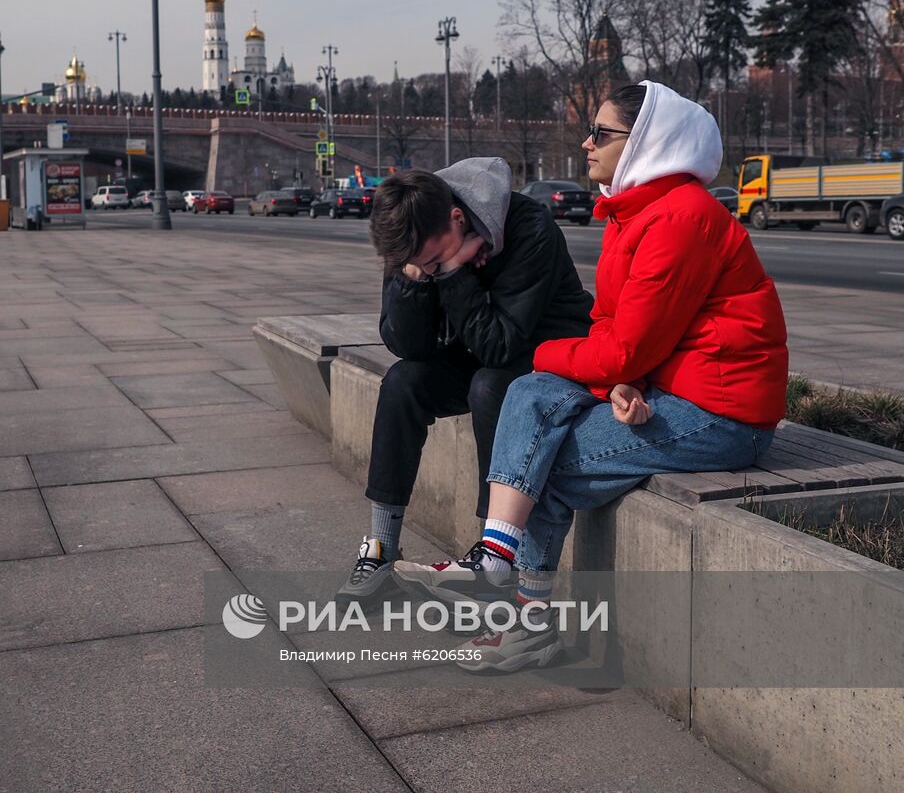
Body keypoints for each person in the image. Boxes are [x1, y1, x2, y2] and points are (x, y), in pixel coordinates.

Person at [392, 81, 789, 673]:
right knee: (528, 392)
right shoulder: (635, 213)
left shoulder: (682, 219)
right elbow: (613, 327)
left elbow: (622, 346)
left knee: (541, 444)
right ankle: (498, 561)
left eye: (602, 133)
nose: (586, 141)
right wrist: (619, 382)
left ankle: (520, 608)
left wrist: (571, 358)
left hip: (724, 416)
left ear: (646, 141)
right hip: (671, 388)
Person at [338, 159, 593, 604]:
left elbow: (501, 347)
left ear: (459, 217)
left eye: (435, 261)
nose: (432, 269)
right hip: (480, 353)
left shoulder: (530, 227)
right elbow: (408, 345)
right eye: (424, 266)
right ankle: (381, 547)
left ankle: (492, 559)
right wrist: (414, 278)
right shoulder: (414, 237)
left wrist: (454, 274)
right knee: (403, 382)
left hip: (547, 359)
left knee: (491, 387)